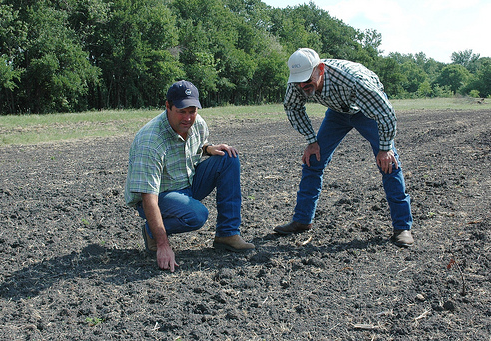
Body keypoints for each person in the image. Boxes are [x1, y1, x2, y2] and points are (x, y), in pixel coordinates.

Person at [274, 48, 414, 247]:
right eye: (299, 81)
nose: (303, 85)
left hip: (366, 111)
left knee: (389, 163)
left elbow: (385, 113)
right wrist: (311, 141)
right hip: (338, 112)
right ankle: (302, 220)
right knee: (314, 159)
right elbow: (293, 108)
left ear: (320, 69)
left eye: (307, 79)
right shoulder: (297, 84)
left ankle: (402, 227)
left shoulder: (355, 81)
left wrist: (385, 148)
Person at [125, 80, 254, 272]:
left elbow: (195, 147)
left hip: (187, 184)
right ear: (168, 106)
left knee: (228, 158)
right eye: (182, 111)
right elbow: (148, 197)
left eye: (192, 111)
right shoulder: (151, 141)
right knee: (197, 215)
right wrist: (163, 244)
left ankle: (227, 234)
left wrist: (208, 149)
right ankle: (152, 231)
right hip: (160, 196)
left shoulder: (197, 124)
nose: (188, 117)